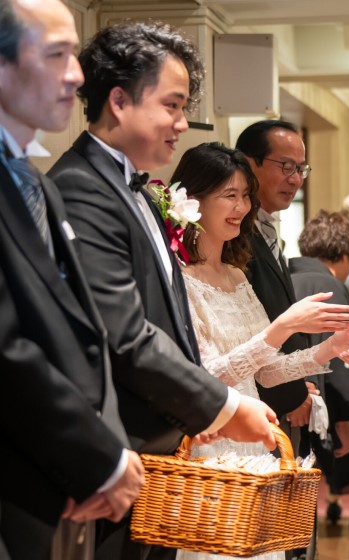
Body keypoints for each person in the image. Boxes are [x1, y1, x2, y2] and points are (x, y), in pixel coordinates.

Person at [48, 23, 278, 560]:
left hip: (159, 448)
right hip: (116, 454)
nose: (182, 123)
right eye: (172, 106)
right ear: (119, 100)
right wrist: (219, 406)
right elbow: (123, 333)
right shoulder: (82, 189)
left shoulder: (136, 191)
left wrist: (188, 418)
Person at [169, 143, 349, 560]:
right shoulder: (179, 279)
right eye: (229, 195)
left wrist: (328, 349)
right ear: (193, 199)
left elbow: (266, 372)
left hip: (256, 448)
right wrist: (282, 328)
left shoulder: (237, 277)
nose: (241, 207)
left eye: (245, 195)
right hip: (211, 446)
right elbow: (208, 377)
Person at [0, 1, 144, 559]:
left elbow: (72, 333)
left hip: (51, 483)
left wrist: (91, 457)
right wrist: (97, 459)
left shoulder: (37, 183)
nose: (78, 75)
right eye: (56, 54)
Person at [290, 210, 349, 540]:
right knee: (299, 507)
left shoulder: (284, 272)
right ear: (345, 256)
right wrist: (346, 419)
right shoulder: (329, 284)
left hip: (279, 397)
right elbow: (339, 364)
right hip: (307, 405)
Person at [235, 120, 318, 451]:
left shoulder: (268, 229)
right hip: (257, 404)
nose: (295, 179)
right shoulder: (233, 237)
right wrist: (290, 392)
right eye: (285, 166)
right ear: (248, 163)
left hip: (282, 391)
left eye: (300, 168)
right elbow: (245, 329)